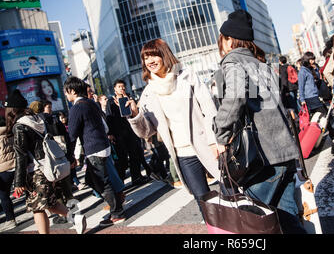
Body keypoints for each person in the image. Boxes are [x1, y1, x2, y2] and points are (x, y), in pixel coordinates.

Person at [212, 9, 306, 234]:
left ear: (228, 39)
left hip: (263, 158)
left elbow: (235, 97)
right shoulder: (262, 66)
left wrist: (221, 134)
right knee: (289, 221)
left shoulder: (233, 63)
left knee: (247, 222)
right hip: (284, 153)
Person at [126, 38, 221, 209]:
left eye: (154, 56)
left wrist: (215, 141)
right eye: (146, 58)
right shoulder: (149, 92)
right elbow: (147, 131)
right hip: (182, 153)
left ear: (164, 55)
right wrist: (135, 115)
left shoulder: (187, 76)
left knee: (228, 190)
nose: (150, 61)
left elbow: (209, 108)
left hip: (206, 144)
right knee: (203, 200)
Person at [6, 89, 86, 234]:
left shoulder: (19, 126)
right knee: (38, 207)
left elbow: (21, 155)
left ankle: (73, 215)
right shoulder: (36, 119)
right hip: (47, 167)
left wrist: (18, 182)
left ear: (12, 109)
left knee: (46, 204)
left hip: (35, 171)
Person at [64, 77, 125, 226]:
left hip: (94, 149)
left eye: (66, 92)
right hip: (103, 146)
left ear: (72, 91)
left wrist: (70, 156)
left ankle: (117, 213)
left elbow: (71, 135)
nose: (66, 95)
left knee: (102, 183)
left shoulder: (76, 108)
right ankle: (118, 202)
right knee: (93, 179)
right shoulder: (91, 103)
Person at [106, 80, 152, 186]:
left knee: (135, 155)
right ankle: (120, 182)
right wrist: (110, 133)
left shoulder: (129, 98)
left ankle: (136, 177)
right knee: (122, 159)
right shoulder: (111, 101)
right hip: (118, 133)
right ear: (115, 89)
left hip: (131, 130)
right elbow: (109, 118)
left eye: (123, 87)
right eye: (119, 87)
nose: (122, 88)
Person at [298, 52, 334, 140]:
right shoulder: (302, 71)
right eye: (311, 59)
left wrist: (315, 70)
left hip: (315, 95)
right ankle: (330, 134)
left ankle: (330, 134)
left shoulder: (310, 68)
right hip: (310, 97)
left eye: (313, 59)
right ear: (307, 60)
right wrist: (302, 99)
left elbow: (317, 79)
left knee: (323, 116)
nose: (313, 61)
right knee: (323, 115)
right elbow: (301, 86)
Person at [0, 116, 17, 232]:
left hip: (3, 168)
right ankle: (46, 209)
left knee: (4, 195)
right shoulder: (10, 131)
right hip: (16, 165)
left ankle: (10, 220)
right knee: (28, 189)